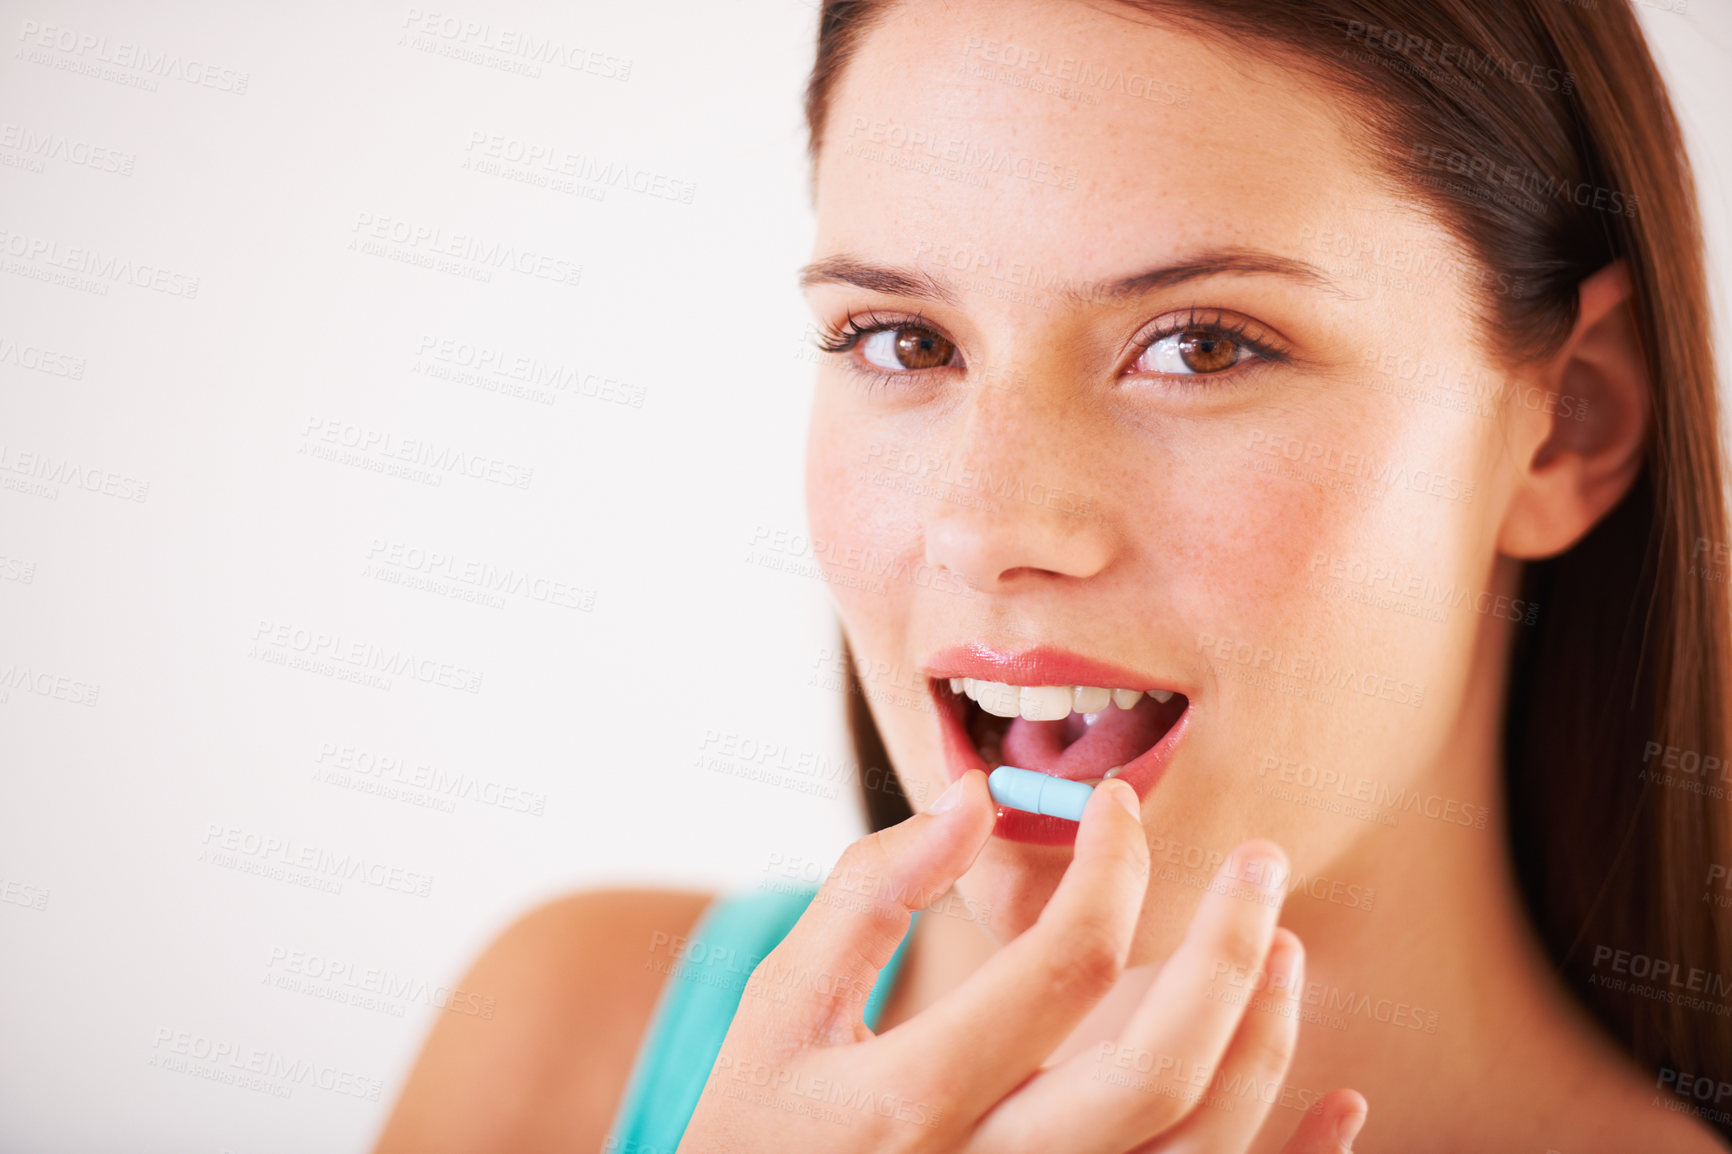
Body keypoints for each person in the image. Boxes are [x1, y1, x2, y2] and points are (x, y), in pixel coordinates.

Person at [373, 0, 1732, 1149]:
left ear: (1571, 422)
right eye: (903, 341)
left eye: (1202, 346)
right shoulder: (561, 1045)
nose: (986, 526)